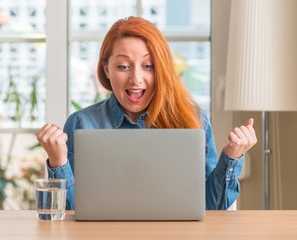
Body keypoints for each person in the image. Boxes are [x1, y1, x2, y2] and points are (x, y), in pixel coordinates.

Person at [37, 16, 257, 210]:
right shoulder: (81, 123)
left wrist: (232, 156)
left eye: (148, 66)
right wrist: (58, 161)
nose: (136, 79)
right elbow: (71, 213)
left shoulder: (193, 119)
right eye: (123, 66)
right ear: (106, 69)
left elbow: (211, 207)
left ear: (161, 69)